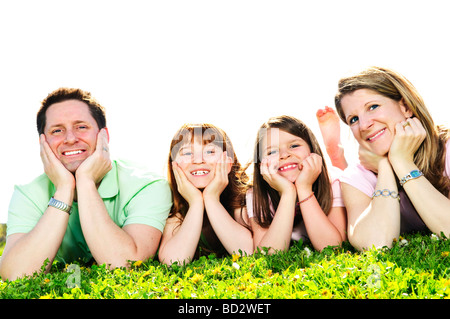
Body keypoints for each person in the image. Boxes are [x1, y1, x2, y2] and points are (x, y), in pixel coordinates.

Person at [0, 88, 172, 280]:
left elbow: (124, 265)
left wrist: (86, 182)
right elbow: (15, 274)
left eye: (81, 127)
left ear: (104, 136)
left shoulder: (147, 185)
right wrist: (64, 188)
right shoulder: (28, 194)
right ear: (43, 142)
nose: (70, 138)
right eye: (57, 130)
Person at [334, 66, 450, 251]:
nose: (364, 125)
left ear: (405, 107)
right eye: (353, 119)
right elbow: (377, 243)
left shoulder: (446, 149)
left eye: (373, 107)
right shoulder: (355, 177)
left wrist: (402, 162)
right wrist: (385, 165)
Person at [246, 115, 347, 253]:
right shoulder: (256, 194)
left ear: (312, 150)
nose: (284, 155)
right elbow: (268, 254)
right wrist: (288, 193)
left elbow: (331, 247)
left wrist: (304, 188)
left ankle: (335, 152)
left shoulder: (333, 183)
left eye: (294, 145)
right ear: (261, 164)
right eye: (272, 151)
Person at [158, 124, 253, 265]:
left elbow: (246, 252)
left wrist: (211, 198)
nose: (198, 160)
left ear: (228, 160)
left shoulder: (244, 199)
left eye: (209, 152)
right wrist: (196, 202)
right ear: (174, 165)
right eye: (187, 153)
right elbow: (174, 262)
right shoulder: (172, 207)